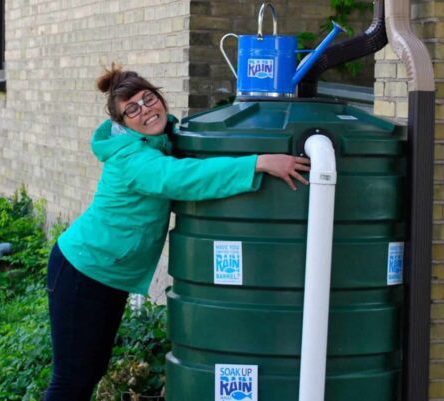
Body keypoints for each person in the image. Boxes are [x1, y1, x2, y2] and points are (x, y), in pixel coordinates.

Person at [44, 64, 310, 400]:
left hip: (104, 272)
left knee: (90, 369)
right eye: (133, 110)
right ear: (123, 124)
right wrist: (258, 162)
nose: (146, 110)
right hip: (83, 270)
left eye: (148, 98)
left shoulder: (161, 142)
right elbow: (184, 178)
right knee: (72, 377)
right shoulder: (134, 158)